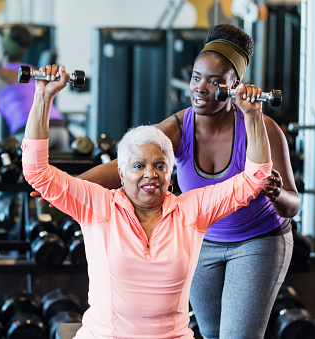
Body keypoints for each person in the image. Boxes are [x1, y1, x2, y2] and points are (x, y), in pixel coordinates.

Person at [73, 24, 300, 338]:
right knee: (208, 333)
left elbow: (293, 204)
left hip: (257, 241)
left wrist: (275, 194)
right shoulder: (179, 127)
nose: (200, 88)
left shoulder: (263, 128)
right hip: (201, 242)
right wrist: (66, 187)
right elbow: (124, 167)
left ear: (236, 85)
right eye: (196, 77)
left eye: (214, 81)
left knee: (238, 336)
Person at [22, 64, 273, 338]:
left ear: (170, 174)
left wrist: (253, 115)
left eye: (160, 166)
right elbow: (37, 172)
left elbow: (256, 177)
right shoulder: (97, 206)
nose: (150, 174)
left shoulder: (191, 211)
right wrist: (43, 97)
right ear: (120, 173)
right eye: (138, 166)